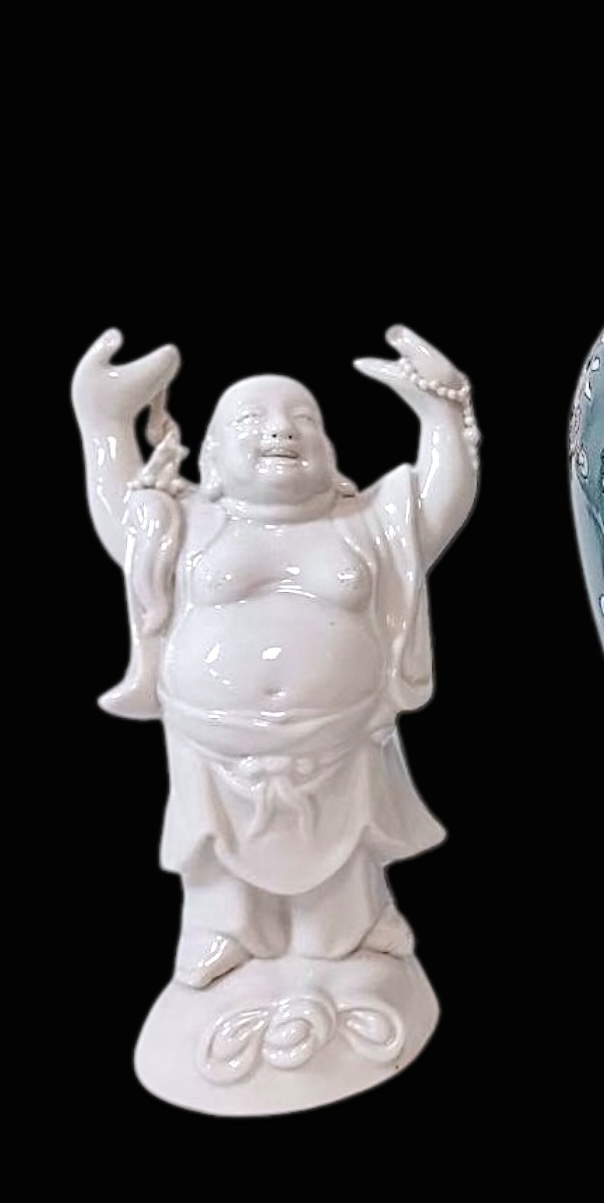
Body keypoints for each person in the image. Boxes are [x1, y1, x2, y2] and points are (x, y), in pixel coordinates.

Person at [73, 326, 480, 988]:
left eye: (303, 419)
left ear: (329, 449)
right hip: (213, 742)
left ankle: (346, 930)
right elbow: (121, 510)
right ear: (210, 453)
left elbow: (441, 498)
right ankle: (223, 929)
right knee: (219, 858)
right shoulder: (183, 520)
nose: (281, 429)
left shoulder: (367, 522)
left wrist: (442, 410)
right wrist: (104, 421)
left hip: (340, 736)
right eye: (250, 419)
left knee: (341, 858)